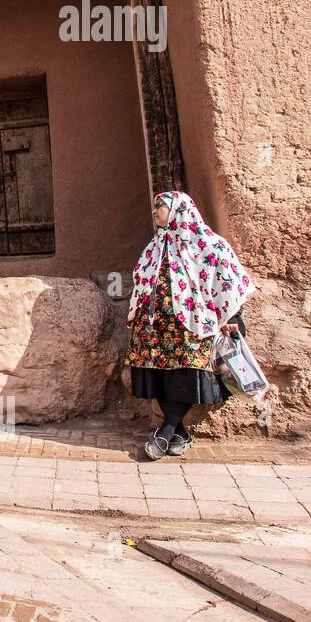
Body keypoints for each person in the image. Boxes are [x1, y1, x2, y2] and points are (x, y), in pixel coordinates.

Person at [126, 191, 252, 461]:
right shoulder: (155, 245)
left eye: (160, 206)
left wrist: (231, 316)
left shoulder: (207, 243)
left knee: (187, 374)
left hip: (192, 328)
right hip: (153, 328)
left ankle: (165, 431)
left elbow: (229, 277)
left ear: (178, 210)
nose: (154, 210)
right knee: (158, 375)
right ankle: (180, 434)